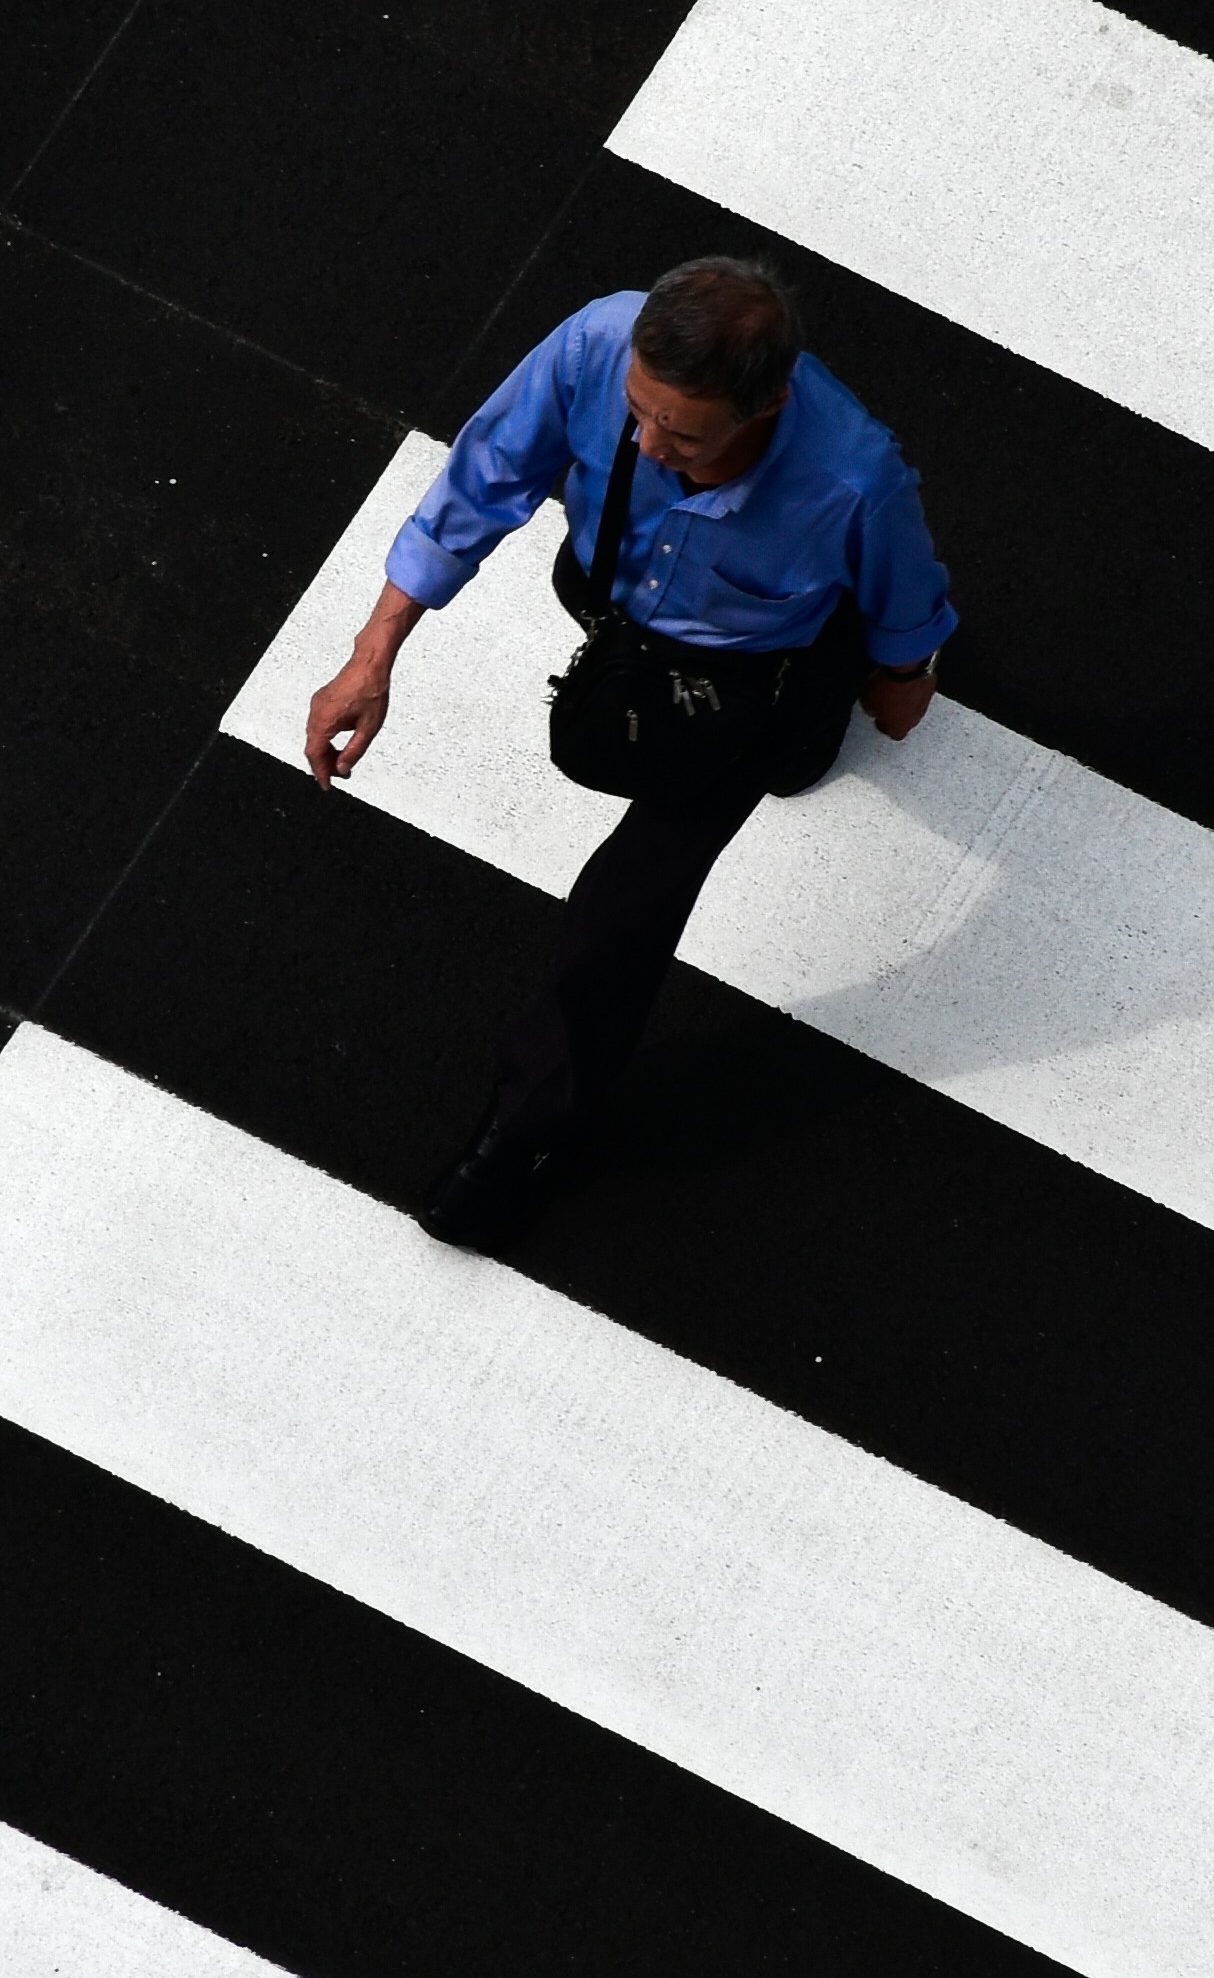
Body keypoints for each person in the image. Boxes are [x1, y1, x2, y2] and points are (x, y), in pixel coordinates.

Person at [302, 254, 953, 1241]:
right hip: (617, 600)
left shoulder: (854, 482)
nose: (645, 445)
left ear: (769, 404)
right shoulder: (597, 342)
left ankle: (530, 1130)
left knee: (626, 905)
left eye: (681, 435)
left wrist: (902, 677)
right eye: (636, 414)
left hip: (757, 676)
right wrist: (373, 652)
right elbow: (485, 478)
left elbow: (905, 605)